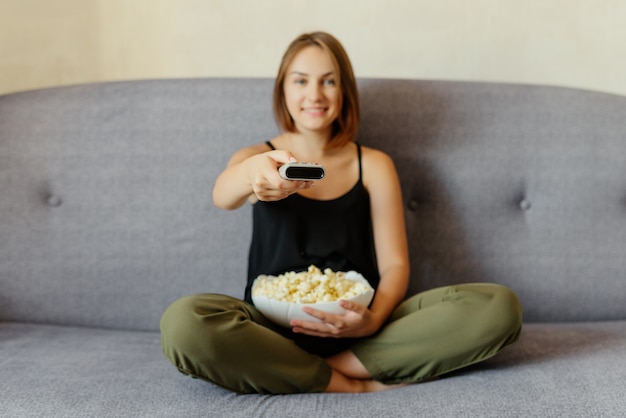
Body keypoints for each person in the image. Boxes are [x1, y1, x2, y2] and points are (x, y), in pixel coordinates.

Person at [160, 31, 522, 394]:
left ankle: (321, 370)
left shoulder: (375, 165)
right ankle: (353, 384)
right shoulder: (257, 158)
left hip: (361, 328)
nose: (314, 95)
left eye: (328, 81)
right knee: (184, 323)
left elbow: (395, 265)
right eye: (300, 80)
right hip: (270, 330)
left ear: (345, 91)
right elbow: (223, 195)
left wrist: (372, 319)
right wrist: (252, 176)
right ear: (282, 90)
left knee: (498, 306)